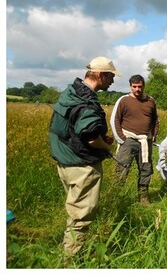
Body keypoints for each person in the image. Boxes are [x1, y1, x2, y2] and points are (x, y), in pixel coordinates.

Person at [49, 56, 121, 256]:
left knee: (74, 211)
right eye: (110, 76)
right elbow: (90, 139)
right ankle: (71, 260)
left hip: (65, 162)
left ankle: (69, 248)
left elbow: (70, 128)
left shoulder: (71, 92)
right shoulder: (87, 102)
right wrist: (104, 146)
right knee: (81, 216)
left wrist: (98, 136)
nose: (113, 81)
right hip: (82, 167)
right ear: (99, 75)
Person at [110, 75, 160, 205]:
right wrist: (122, 139)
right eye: (134, 87)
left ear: (144, 86)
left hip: (145, 140)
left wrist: (154, 135)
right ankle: (115, 196)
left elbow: (155, 119)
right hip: (128, 139)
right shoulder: (124, 100)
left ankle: (143, 197)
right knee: (122, 167)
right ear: (130, 86)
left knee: (146, 168)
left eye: (140, 86)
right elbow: (115, 120)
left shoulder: (150, 101)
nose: (137, 89)